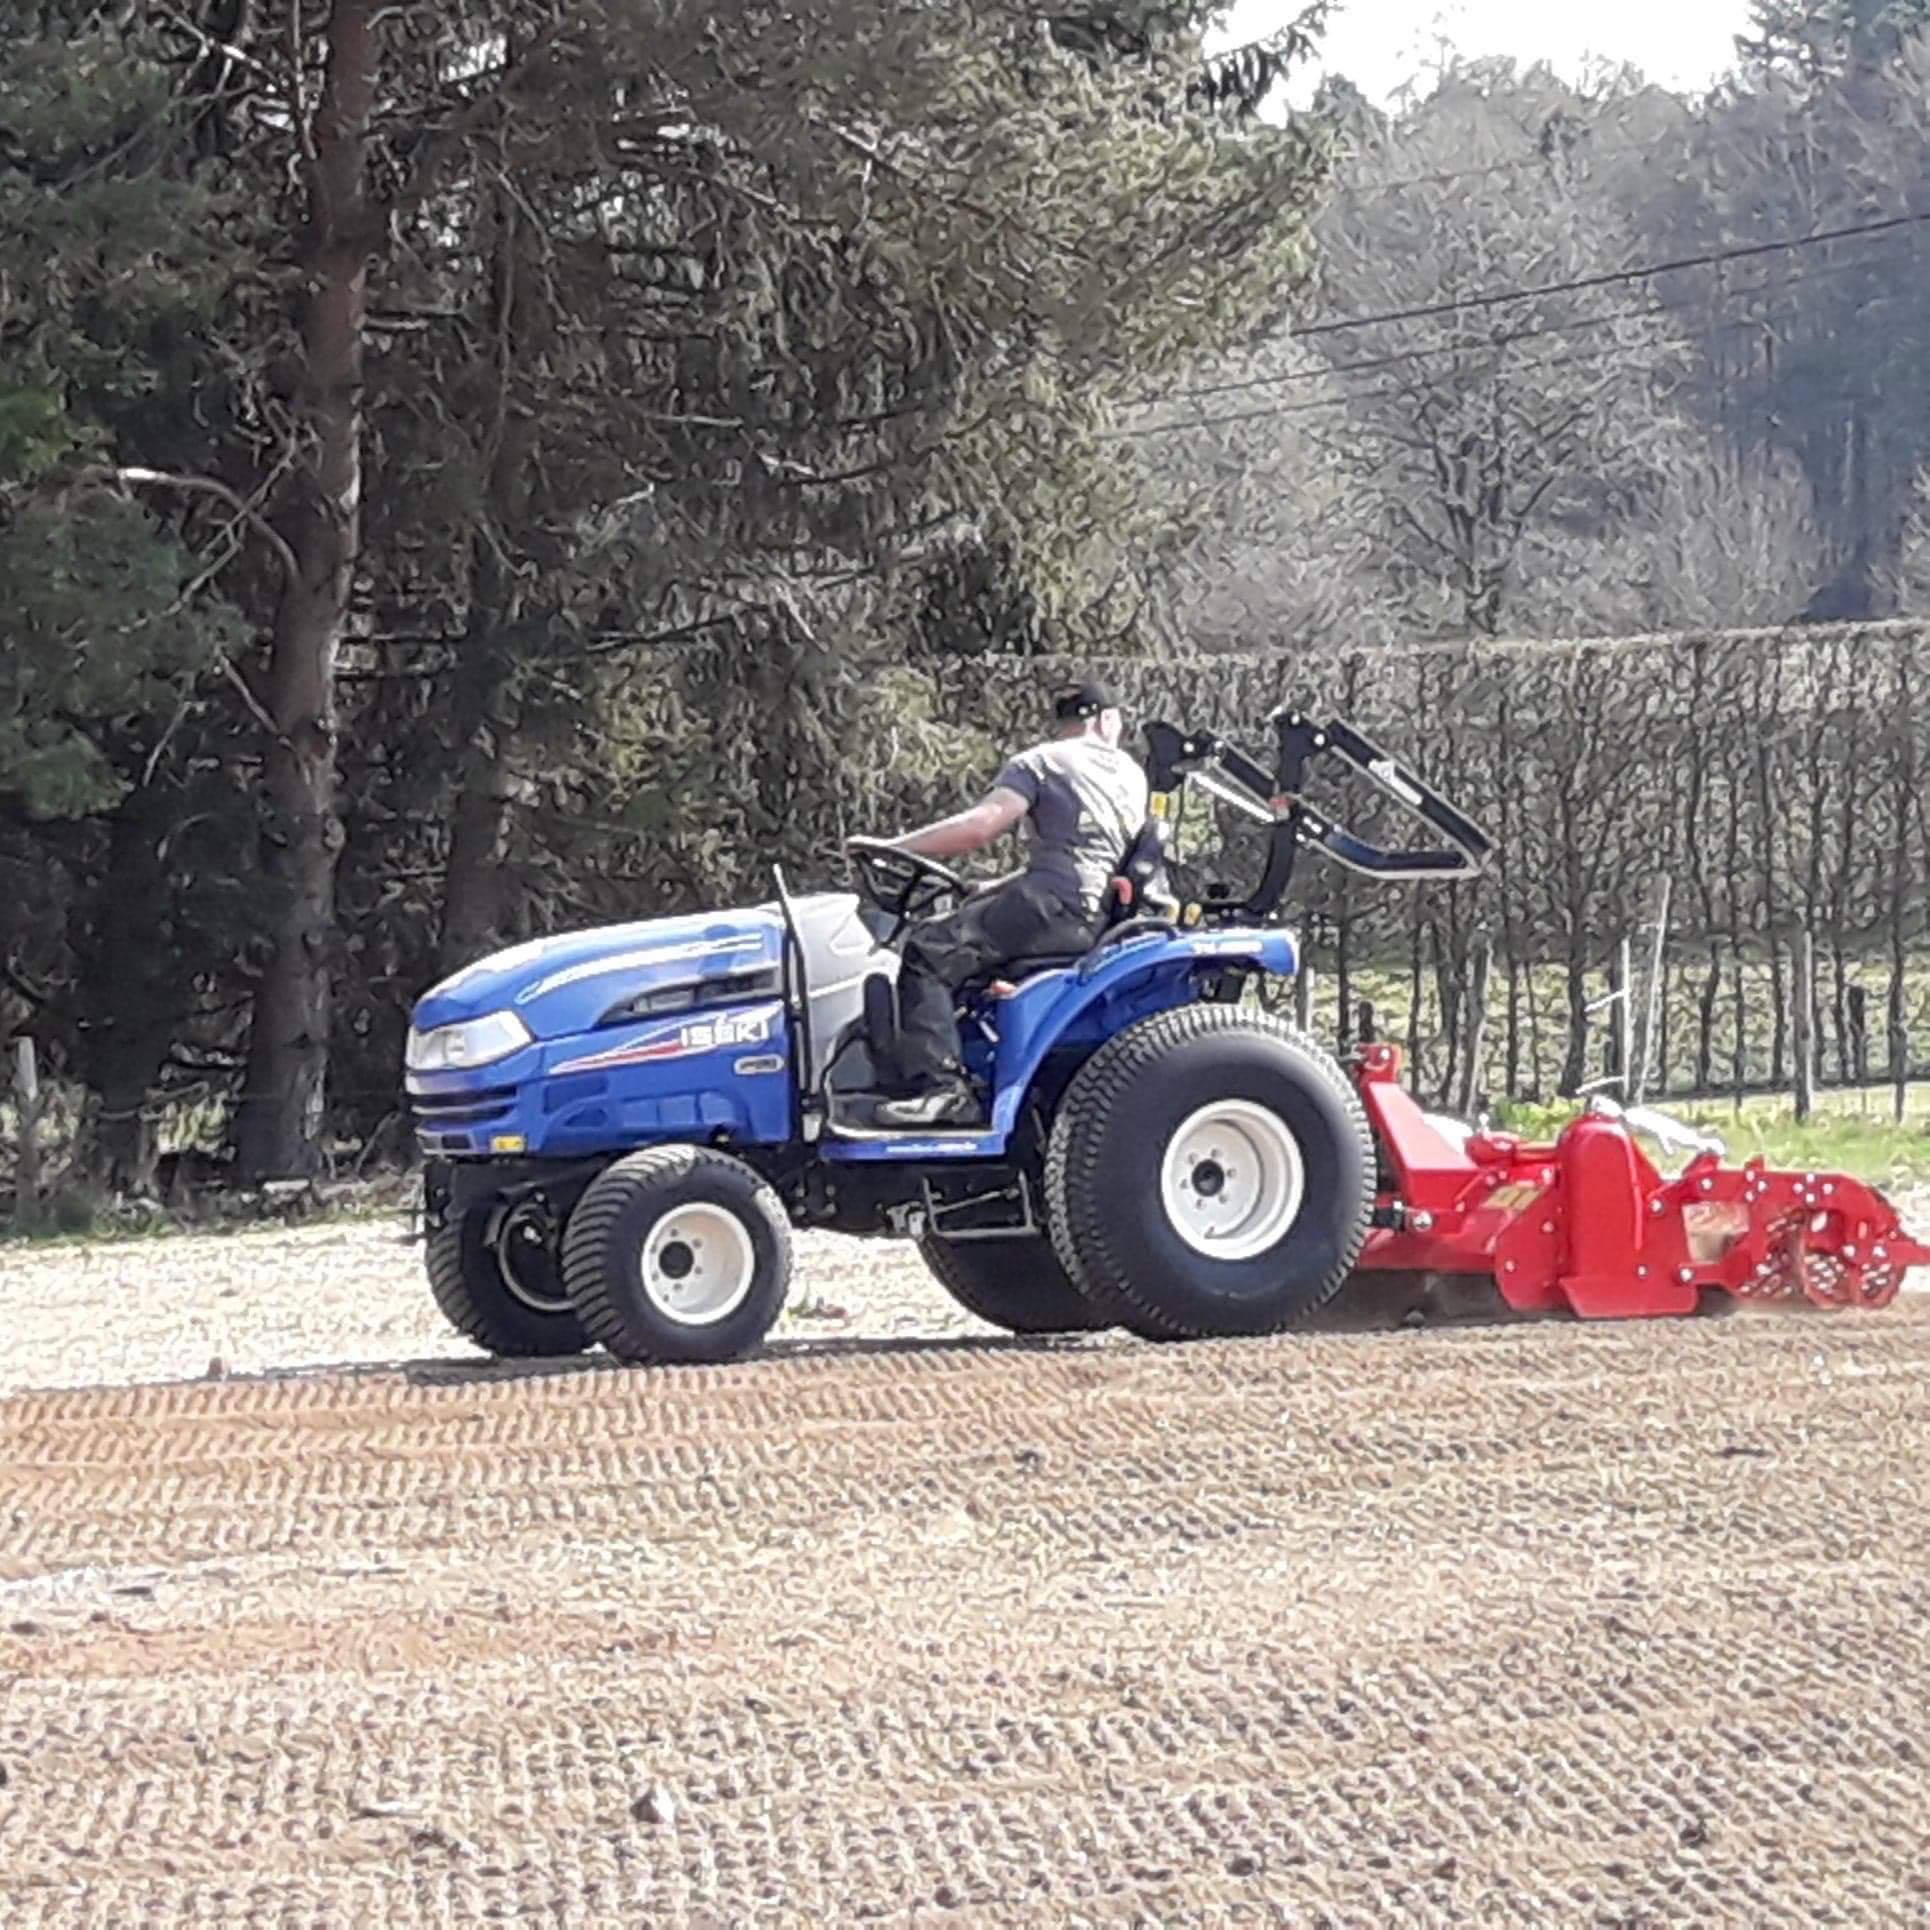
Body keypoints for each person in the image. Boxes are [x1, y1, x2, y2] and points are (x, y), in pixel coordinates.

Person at [868, 677, 1150, 1127]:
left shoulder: (1042, 762)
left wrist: (894, 845)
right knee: (965, 945)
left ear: (1064, 722)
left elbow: (980, 827)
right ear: (1107, 719)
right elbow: (1086, 855)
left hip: (1050, 906)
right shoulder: (1133, 776)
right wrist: (995, 887)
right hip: (1092, 916)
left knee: (928, 950)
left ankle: (941, 1089)